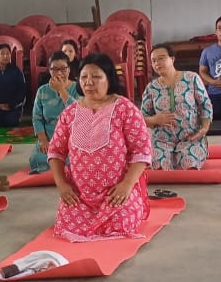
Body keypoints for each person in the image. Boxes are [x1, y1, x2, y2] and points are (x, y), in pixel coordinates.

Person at [47, 53, 152, 241]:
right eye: (84, 77)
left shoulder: (125, 108)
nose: (89, 82)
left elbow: (142, 151)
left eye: (96, 77)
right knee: (67, 226)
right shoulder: (70, 113)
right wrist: (62, 185)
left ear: (109, 79)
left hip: (116, 194)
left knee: (121, 225)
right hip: (80, 196)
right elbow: (55, 152)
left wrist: (127, 185)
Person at [141, 43, 212, 169]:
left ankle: (195, 150)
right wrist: (155, 120)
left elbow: (205, 105)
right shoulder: (151, 88)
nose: (157, 63)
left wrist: (204, 129)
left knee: (190, 166)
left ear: (172, 59)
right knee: (159, 168)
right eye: (153, 61)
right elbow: (141, 118)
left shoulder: (191, 78)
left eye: (161, 58)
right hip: (162, 140)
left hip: (190, 137)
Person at [29, 51, 79, 173]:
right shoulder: (42, 91)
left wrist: (62, 91)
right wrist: (43, 140)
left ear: (69, 70)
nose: (59, 73)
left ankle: (64, 166)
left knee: (77, 159)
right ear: (49, 70)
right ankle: (63, 167)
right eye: (54, 69)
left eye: (63, 69)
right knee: (36, 159)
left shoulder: (78, 88)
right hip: (50, 140)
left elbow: (79, 113)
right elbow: (37, 118)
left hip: (73, 140)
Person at [0, 43, 28, 128]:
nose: (6, 56)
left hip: (12, 107)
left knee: (11, 121)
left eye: (8, 53)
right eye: (2, 54)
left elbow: (22, 91)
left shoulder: (16, 71)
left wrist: (11, 105)